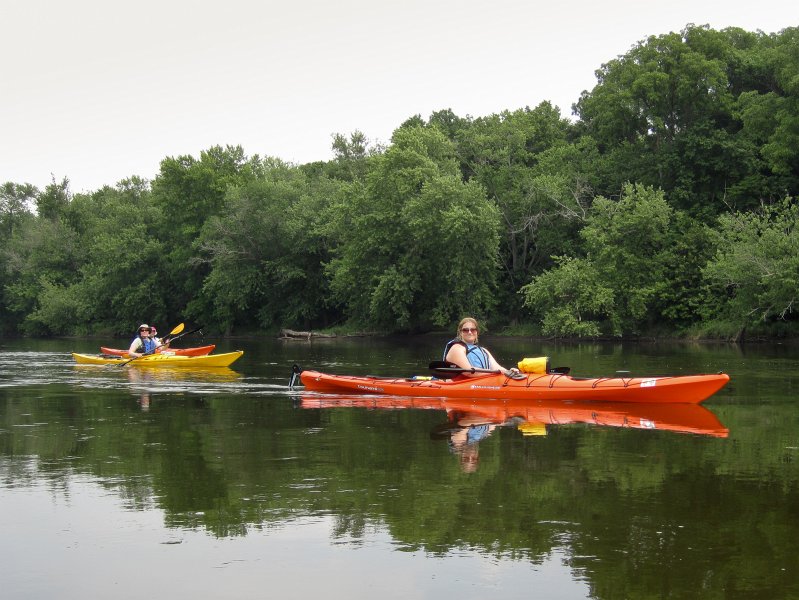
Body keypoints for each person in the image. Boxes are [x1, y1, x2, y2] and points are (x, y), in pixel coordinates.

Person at [443, 317, 521, 378]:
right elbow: (469, 372)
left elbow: (497, 367)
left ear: (477, 332)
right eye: (466, 330)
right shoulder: (457, 348)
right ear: (460, 332)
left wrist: (508, 372)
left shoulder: (484, 351)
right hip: (463, 384)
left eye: (473, 330)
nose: (470, 332)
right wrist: (496, 373)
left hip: (485, 380)